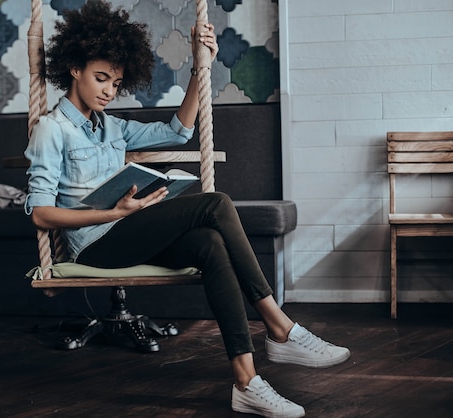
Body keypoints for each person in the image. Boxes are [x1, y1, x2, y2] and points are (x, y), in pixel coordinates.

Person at [24, 1, 350, 416]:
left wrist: (200, 68)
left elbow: (179, 130)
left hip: (128, 232)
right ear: (74, 68)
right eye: (100, 78)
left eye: (116, 82)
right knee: (215, 203)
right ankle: (278, 326)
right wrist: (113, 213)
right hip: (94, 245)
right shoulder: (52, 129)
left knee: (209, 244)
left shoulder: (113, 126)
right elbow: (39, 213)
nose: (108, 90)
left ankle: (247, 382)